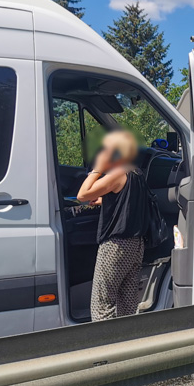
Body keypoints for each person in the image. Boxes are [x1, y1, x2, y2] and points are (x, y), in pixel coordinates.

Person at [77, 130, 149, 321]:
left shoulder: (117, 173)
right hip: (136, 244)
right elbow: (127, 201)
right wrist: (104, 201)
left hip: (116, 246)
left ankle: (106, 344)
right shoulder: (136, 172)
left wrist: (97, 169)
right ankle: (127, 343)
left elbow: (82, 195)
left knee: (103, 304)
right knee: (127, 304)